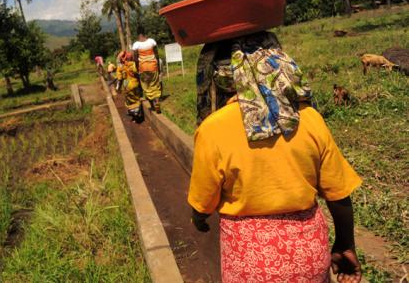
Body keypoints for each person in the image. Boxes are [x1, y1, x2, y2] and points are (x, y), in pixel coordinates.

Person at [188, 31, 362, 283]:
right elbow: (339, 193)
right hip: (309, 258)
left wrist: (198, 218)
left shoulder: (213, 130)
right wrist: (346, 244)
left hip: (249, 263)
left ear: (217, 78)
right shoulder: (308, 118)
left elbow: (203, 200)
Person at [132, 31, 162, 113]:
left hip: (143, 68)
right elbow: (157, 55)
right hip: (153, 67)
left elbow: (135, 58)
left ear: (138, 35)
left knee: (146, 87)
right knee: (155, 85)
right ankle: (157, 102)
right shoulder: (152, 41)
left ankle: (152, 106)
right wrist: (158, 67)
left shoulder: (136, 45)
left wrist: (137, 68)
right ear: (146, 34)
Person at [117, 51, 142, 122]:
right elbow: (138, 73)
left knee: (129, 101)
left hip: (126, 86)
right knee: (136, 99)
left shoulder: (120, 67)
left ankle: (132, 115)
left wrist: (118, 88)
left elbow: (119, 79)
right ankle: (137, 115)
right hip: (134, 84)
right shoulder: (133, 64)